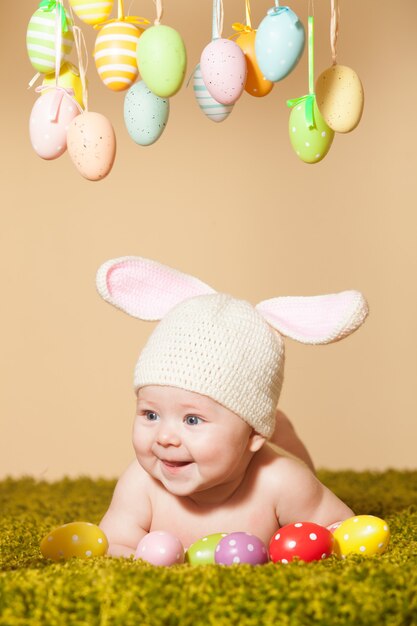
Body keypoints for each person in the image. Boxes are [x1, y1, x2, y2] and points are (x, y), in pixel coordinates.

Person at [96, 256, 368, 557]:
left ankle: (281, 428)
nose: (165, 437)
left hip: (276, 453)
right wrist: (140, 556)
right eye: (150, 414)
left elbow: (341, 531)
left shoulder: (282, 482)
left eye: (192, 420)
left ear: (253, 434)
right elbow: (113, 544)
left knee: (290, 452)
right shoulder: (140, 485)